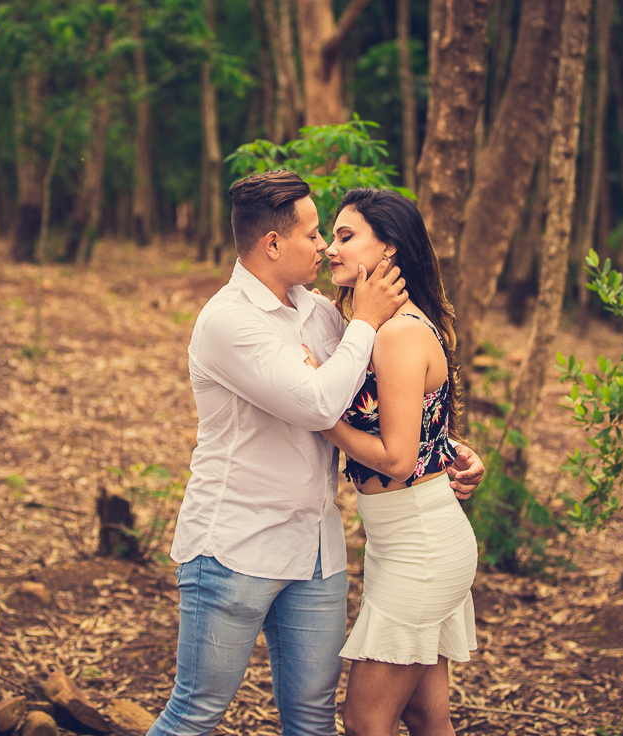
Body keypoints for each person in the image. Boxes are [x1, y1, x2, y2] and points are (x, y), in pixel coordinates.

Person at [144, 170, 484, 736]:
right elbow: (321, 403)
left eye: (338, 233)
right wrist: (368, 322)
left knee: (312, 721)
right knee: (195, 712)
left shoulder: (323, 314)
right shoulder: (230, 322)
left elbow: (377, 408)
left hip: (316, 554)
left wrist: (446, 450)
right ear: (272, 243)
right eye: (315, 233)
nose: (325, 246)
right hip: (236, 546)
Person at [312, 188, 478, 736]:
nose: (331, 248)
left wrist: (320, 415)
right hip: (404, 540)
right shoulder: (382, 329)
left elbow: (399, 458)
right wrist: (458, 454)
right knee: (426, 717)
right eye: (332, 235)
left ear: (388, 250)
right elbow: (423, 432)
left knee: (364, 720)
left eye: (345, 236)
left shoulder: (401, 333)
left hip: (420, 546)